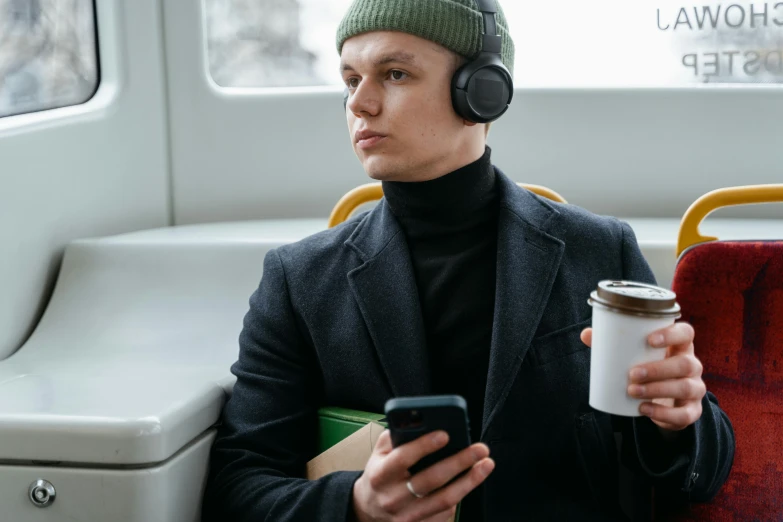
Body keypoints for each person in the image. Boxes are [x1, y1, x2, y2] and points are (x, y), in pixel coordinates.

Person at [201, 1, 735, 520]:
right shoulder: (299, 281)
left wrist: (677, 424)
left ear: (482, 91)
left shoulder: (598, 249)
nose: (359, 104)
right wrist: (357, 507)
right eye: (349, 80)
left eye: (393, 74)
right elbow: (239, 485)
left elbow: (704, 477)